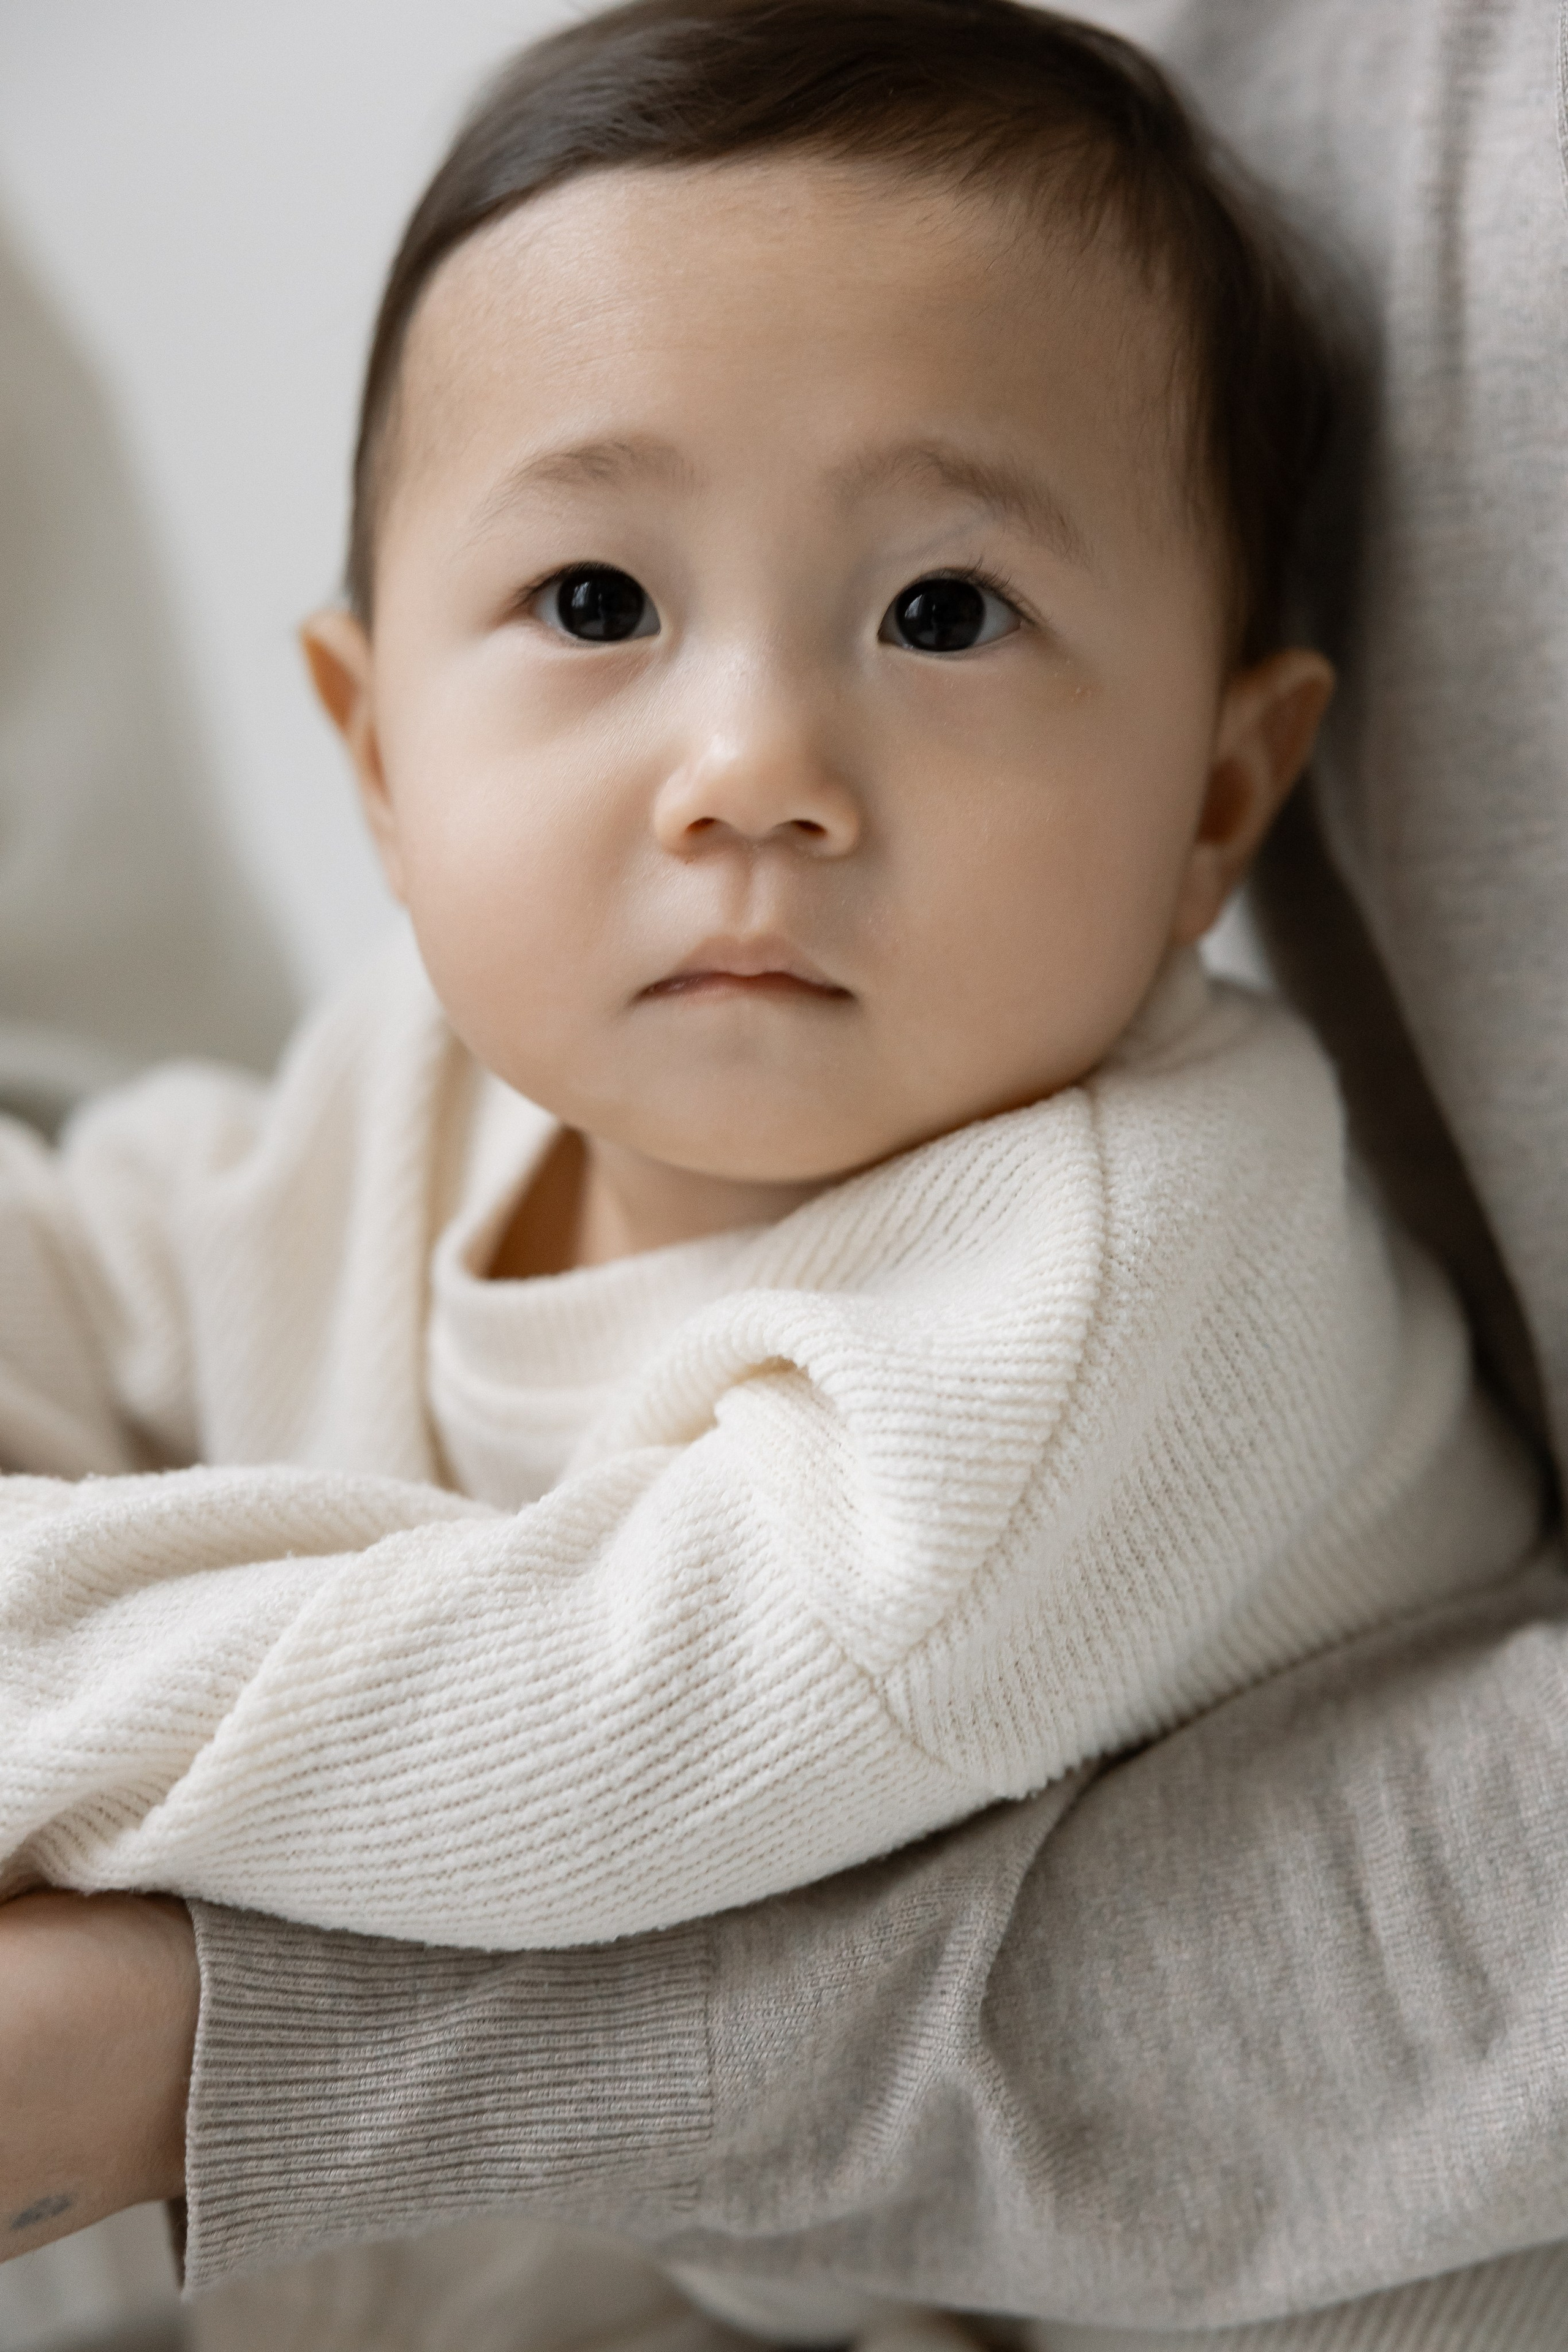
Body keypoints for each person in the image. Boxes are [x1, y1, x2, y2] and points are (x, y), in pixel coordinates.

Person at [4, 0, 1567, 2345]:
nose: (753, 766)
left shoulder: (1120, 1265)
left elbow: (567, 1736)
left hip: (1285, 2241)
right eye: (600, 605)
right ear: (380, 751)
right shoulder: (421, 1081)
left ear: (1221, 800)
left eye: (945, 614)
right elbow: (106, 1249)